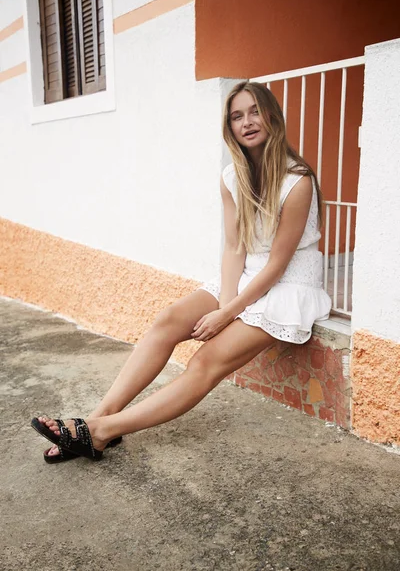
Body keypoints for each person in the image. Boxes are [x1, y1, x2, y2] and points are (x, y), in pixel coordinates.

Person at [31, 81, 331, 463]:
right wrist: (225, 299)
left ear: (273, 115)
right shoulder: (232, 177)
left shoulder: (297, 181)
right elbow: (235, 246)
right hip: (244, 278)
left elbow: (277, 264)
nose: (248, 122)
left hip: (288, 285)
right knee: (168, 320)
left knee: (204, 362)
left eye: (255, 111)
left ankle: (101, 431)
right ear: (229, 127)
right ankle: (96, 423)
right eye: (237, 116)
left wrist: (227, 312)